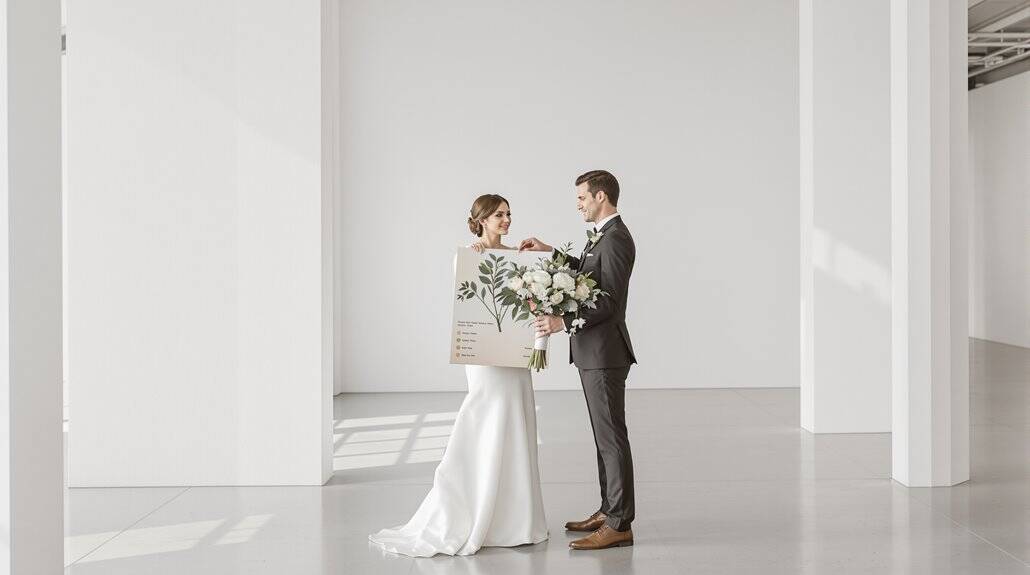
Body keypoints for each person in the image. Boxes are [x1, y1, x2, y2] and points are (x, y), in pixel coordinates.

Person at [368, 194, 548, 557]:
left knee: (516, 419)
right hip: (484, 355)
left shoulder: (518, 256)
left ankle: (515, 519)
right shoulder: (467, 256)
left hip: (514, 354)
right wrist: (477, 259)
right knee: (486, 416)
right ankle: (472, 509)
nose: (507, 220)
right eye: (499, 215)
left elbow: (532, 303)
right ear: (481, 220)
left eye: (509, 214)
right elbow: (470, 303)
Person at [520, 170, 637, 550]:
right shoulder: (603, 235)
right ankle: (608, 510)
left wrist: (562, 322)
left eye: (582, 198)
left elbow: (609, 301)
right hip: (592, 351)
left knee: (611, 439)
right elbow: (588, 276)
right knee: (604, 439)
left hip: (605, 352)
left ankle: (619, 524)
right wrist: (550, 251)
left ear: (601, 196)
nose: (578, 205)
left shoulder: (616, 238)